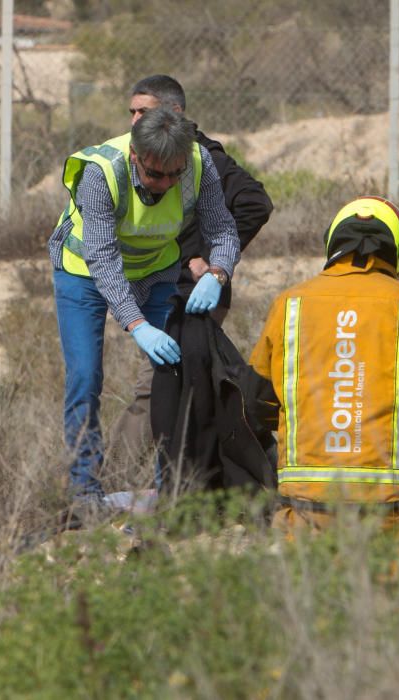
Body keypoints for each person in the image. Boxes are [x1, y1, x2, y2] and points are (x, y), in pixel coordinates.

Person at [47, 107, 242, 502]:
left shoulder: (198, 164)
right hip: (83, 270)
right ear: (136, 155)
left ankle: (165, 485)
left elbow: (223, 229)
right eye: (155, 174)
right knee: (85, 377)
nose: (166, 184)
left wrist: (218, 273)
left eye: (175, 174)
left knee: (166, 375)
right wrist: (138, 326)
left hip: (155, 269)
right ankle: (84, 489)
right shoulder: (101, 173)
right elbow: (103, 260)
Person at [244, 196, 399, 534]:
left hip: (304, 515)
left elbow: (257, 405)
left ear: (332, 245)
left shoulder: (289, 305)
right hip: (391, 517)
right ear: (398, 252)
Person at [112, 74, 274, 456]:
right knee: (180, 387)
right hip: (162, 288)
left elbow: (255, 203)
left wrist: (209, 262)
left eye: (144, 111)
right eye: (132, 112)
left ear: (174, 113)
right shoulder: (135, 157)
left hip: (193, 293)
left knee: (155, 384)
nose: (135, 120)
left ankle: (111, 479)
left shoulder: (204, 157)